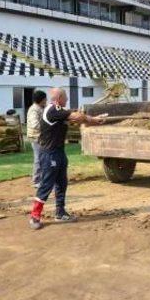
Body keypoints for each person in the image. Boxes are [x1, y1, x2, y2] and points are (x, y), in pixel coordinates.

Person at [28, 88, 105, 230]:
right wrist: (93, 119)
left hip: (59, 152)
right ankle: (35, 215)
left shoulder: (58, 111)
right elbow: (75, 117)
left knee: (61, 183)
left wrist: (91, 119)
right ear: (59, 98)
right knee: (46, 185)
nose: (67, 100)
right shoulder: (53, 110)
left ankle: (60, 212)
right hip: (49, 153)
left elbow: (74, 118)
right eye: (66, 97)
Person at [26, 90, 47, 188]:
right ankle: (36, 181)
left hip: (40, 137)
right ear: (41, 99)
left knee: (43, 158)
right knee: (38, 158)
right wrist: (47, 126)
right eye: (45, 98)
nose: (46, 100)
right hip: (36, 137)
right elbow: (35, 124)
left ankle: (42, 179)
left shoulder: (40, 108)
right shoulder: (34, 109)